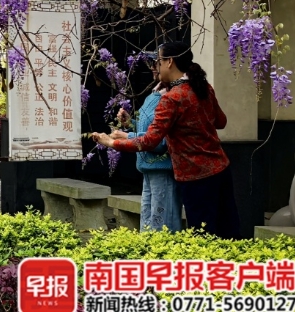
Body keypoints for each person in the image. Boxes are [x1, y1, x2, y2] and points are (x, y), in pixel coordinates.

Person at [93, 41, 240, 239]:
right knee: (228, 232)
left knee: (203, 237)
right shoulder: (203, 87)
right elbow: (221, 122)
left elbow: (149, 141)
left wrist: (112, 143)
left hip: (194, 176)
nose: (157, 66)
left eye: (159, 61)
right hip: (221, 168)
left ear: (169, 62)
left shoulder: (171, 99)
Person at [110, 53, 182, 232]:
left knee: (162, 226)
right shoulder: (154, 94)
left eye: (156, 63)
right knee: (148, 225)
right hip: (148, 168)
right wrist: (129, 123)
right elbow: (150, 128)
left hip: (163, 169)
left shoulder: (171, 97)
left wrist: (126, 136)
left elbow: (161, 140)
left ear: (169, 64)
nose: (152, 68)